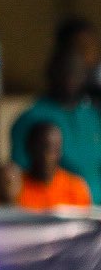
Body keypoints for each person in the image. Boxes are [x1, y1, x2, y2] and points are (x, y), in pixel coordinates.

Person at [10, 43, 101, 201]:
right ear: (51, 72)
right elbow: (21, 172)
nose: (70, 76)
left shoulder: (92, 116)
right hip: (54, 208)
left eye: (77, 71)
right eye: (65, 70)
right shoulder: (32, 117)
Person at [7, 122, 92, 211]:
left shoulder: (76, 187)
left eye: (53, 149)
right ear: (29, 148)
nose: (46, 156)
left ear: (60, 152)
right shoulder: (13, 186)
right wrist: (9, 199)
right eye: (41, 148)